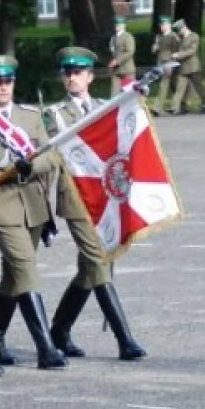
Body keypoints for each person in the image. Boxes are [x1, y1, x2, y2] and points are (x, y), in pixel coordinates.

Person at [42, 47, 146, 361]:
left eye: (79, 73)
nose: (73, 78)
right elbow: (53, 159)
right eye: (67, 73)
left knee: (88, 271)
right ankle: (124, 340)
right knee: (98, 263)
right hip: (75, 197)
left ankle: (59, 329)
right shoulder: (54, 115)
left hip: (103, 198)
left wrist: (135, 99)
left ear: (90, 76)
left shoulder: (104, 108)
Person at [0, 55, 65, 370]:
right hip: (2, 203)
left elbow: (51, 156)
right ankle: (46, 347)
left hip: (33, 202)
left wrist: (32, 165)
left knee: (14, 275)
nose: (2, 87)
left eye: (7, 81)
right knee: (26, 268)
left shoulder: (29, 117)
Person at [168, 20, 205, 116]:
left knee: (199, 87)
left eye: (179, 30)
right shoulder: (180, 38)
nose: (178, 33)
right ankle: (175, 107)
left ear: (184, 28)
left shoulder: (194, 36)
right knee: (179, 88)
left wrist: (179, 55)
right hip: (183, 68)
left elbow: (192, 50)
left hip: (193, 66)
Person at [107, 17, 136, 97]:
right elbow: (113, 52)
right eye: (116, 24)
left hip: (127, 69)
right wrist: (111, 62)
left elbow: (130, 51)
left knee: (130, 93)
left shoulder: (128, 37)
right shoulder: (113, 38)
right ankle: (115, 109)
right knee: (114, 94)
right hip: (116, 70)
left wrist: (117, 61)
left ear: (124, 25)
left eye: (120, 24)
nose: (117, 26)